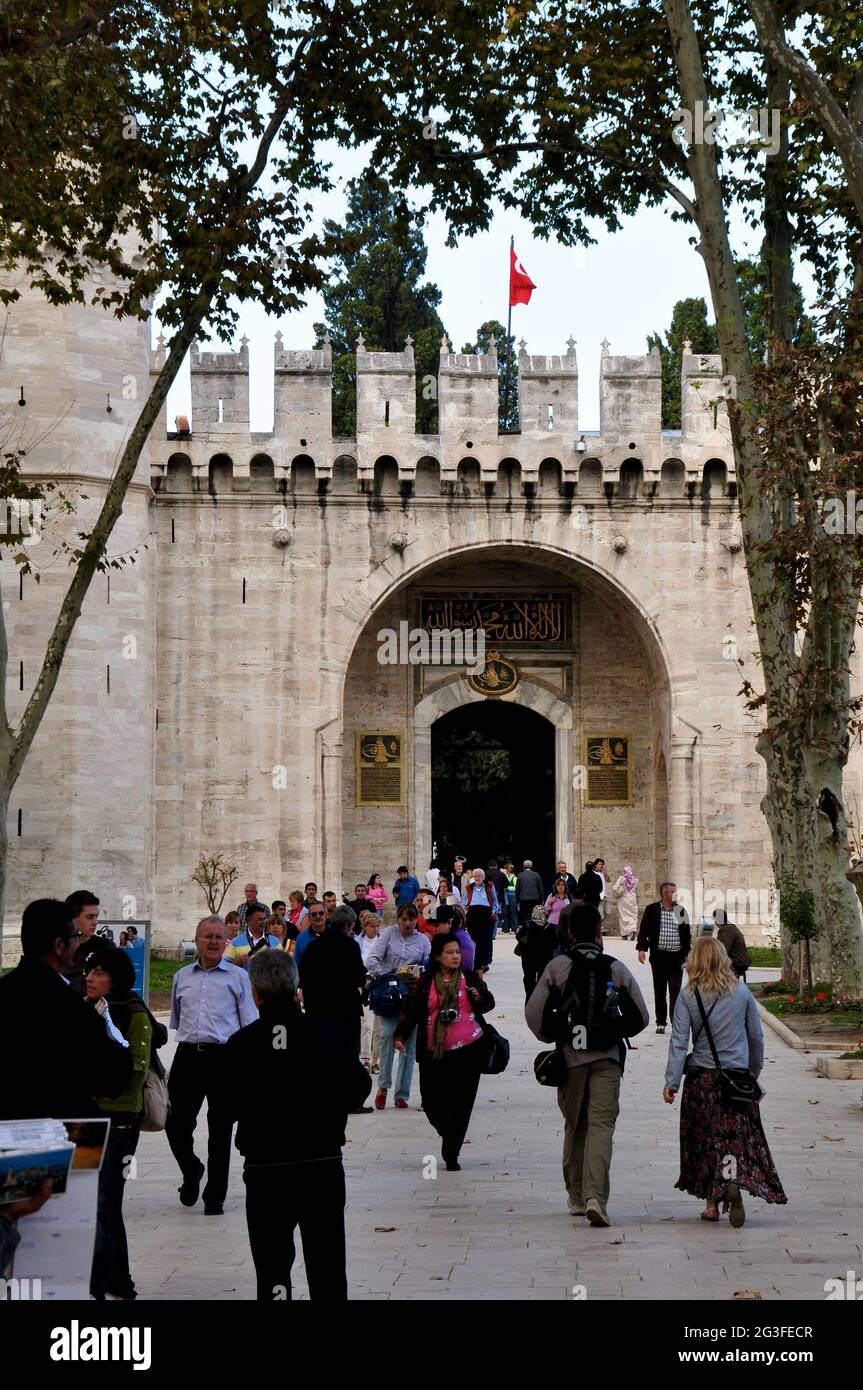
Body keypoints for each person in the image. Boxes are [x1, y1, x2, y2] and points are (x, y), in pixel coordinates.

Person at [224, 950, 371, 1300]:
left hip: (266, 1169)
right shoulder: (326, 1034)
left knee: (272, 1268)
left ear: (256, 993)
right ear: (296, 988)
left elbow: (227, 1104)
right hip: (320, 1163)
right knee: (328, 1266)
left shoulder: (241, 1044)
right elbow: (358, 1088)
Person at [526, 903, 649, 1227]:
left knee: (575, 1124)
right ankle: (597, 1197)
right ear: (598, 932)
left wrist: (553, 1035)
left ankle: (577, 1196)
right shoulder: (616, 968)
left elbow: (534, 1014)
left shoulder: (558, 968)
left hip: (571, 1059)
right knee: (601, 1127)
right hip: (607, 1058)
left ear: (567, 932)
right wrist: (612, 1032)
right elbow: (641, 1016)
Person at [664, 935, 786, 1225]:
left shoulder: (687, 995)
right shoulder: (741, 993)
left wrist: (672, 1082)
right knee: (734, 1137)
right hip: (736, 1079)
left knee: (705, 1140)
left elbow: (679, 1042)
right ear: (723, 958)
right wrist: (753, 1071)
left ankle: (711, 1204)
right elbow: (755, 1036)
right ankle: (732, 1181)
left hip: (702, 1080)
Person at [0, 899, 133, 1120]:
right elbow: (112, 1076)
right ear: (59, 945)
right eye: (75, 937)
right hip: (60, 1135)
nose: (78, 943)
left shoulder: (5, 990)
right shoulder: (70, 1008)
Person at [86, 947, 167, 1301]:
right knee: (100, 1203)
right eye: (90, 971)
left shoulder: (134, 1015)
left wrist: (95, 1083)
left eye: (100, 972)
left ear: (115, 979)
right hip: (89, 1118)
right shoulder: (88, 1010)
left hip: (120, 1122)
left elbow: (135, 1072)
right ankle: (118, 1281)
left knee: (106, 1201)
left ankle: (104, 1284)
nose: (90, 977)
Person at [165, 915, 257, 1216]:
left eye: (219, 936)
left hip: (224, 1058)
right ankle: (191, 1170)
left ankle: (215, 1195)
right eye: (208, 936)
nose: (214, 941)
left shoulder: (238, 977)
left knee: (220, 1129)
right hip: (188, 1056)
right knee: (175, 1123)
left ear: (225, 941)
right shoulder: (181, 976)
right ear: (197, 940)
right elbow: (177, 1019)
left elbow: (248, 1025)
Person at [394, 933, 495, 1171]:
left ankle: (452, 1151)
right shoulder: (425, 982)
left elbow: (488, 1004)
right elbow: (410, 1011)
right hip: (433, 1052)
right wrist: (400, 1035)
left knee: (462, 1104)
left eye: (458, 952)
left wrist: (478, 997)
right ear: (438, 956)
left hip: (468, 1050)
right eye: (450, 952)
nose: (455, 956)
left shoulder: (470, 978)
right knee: (431, 1101)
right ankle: (448, 1132)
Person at [366, 904, 430, 1109]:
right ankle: (383, 1086)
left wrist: (418, 973)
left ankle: (402, 1093)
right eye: (403, 919)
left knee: (409, 1045)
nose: (407, 923)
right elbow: (372, 959)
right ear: (398, 919)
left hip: (411, 996)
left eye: (411, 919)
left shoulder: (422, 941)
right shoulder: (387, 934)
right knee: (386, 1036)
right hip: (389, 995)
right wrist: (384, 977)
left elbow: (428, 963)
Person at [299, 904, 367, 1062]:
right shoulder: (351, 946)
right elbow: (359, 977)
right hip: (345, 1012)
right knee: (347, 1060)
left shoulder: (313, 946)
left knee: (323, 1058)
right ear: (348, 924)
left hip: (318, 1011)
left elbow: (303, 975)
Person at [636, 881, 692, 1034]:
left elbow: (686, 934)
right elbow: (644, 930)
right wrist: (641, 949)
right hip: (659, 957)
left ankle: (675, 1021)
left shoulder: (681, 911)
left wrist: (687, 954)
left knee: (675, 990)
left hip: (676, 957)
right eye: (673, 891)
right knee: (659, 990)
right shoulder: (652, 910)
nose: (676, 894)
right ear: (664, 894)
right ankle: (661, 1022)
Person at [65, 889, 111, 995]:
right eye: (89, 917)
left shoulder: (106, 948)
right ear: (72, 918)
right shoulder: (60, 948)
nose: (95, 922)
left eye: (96, 916)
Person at [518, 904, 558, 1000]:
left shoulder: (528, 925)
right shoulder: (550, 928)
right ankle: (540, 1001)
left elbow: (518, 937)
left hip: (528, 958)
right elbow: (555, 944)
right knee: (542, 979)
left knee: (528, 979)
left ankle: (529, 999)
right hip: (544, 958)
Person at [358, 912, 381, 1070]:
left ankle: (376, 1060)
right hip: (364, 984)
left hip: (379, 983)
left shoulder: (382, 942)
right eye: (372, 926)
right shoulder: (357, 942)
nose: (375, 929)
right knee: (366, 1024)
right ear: (365, 927)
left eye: (377, 926)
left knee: (379, 1025)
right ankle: (365, 1057)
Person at [464, 867, 499, 972]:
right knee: (473, 938)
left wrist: (493, 911)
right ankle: (475, 962)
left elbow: (495, 900)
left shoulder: (489, 886)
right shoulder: (469, 888)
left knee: (485, 939)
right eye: (475, 876)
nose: (477, 878)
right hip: (473, 914)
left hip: (486, 914)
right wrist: (465, 912)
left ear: (483, 877)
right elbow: (464, 902)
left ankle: (484, 962)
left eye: (479, 876)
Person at [224, 904, 281, 968]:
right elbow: (225, 966)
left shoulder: (275, 941)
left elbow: (283, 965)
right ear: (249, 921)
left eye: (264, 919)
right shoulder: (235, 942)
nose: (263, 922)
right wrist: (236, 962)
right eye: (260, 919)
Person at [713, 908, 752, 979]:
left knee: (709, 968)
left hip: (737, 963)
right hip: (741, 962)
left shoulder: (726, 930)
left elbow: (722, 951)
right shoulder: (730, 927)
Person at [294, 900, 328, 969]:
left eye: (321, 913)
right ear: (309, 917)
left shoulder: (336, 934)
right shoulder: (301, 938)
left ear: (326, 915)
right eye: (314, 914)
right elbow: (296, 965)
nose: (318, 916)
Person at [612, 866, 639, 940]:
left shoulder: (622, 878)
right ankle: (633, 929)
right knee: (633, 915)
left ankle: (624, 934)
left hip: (623, 899)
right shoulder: (636, 880)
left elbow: (615, 888)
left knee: (623, 916)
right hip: (632, 899)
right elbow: (636, 890)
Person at [516, 859, 544, 927]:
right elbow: (540, 888)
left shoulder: (520, 875)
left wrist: (517, 900)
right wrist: (542, 899)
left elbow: (517, 889)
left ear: (524, 866)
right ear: (531, 866)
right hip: (535, 898)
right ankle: (532, 926)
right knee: (533, 914)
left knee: (525, 915)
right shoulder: (536, 875)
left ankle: (527, 925)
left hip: (523, 899)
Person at [486, 859, 509, 937]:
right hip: (499, 897)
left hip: (487, 898)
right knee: (495, 914)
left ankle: (488, 932)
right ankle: (493, 934)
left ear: (488, 866)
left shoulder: (485, 873)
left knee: (487, 915)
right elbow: (506, 885)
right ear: (496, 865)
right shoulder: (501, 874)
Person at [502, 859, 518, 934]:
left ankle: (514, 929)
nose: (506, 869)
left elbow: (516, 888)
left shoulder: (514, 878)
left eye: (507, 868)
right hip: (506, 897)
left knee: (513, 912)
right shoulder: (506, 877)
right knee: (506, 912)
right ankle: (506, 929)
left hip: (512, 897)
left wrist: (508, 888)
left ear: (510, 869)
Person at [593, 858, 611, 922]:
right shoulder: (594, 873)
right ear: (595, 865)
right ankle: (599, 927)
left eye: (602, 864)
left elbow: (608, 880)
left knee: (608, 912)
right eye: (599, 864)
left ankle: (600, 925)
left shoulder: (602, 873)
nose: (601, 866)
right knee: (600, 914)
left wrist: (605, 872)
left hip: (604, 895)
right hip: (599, 896)